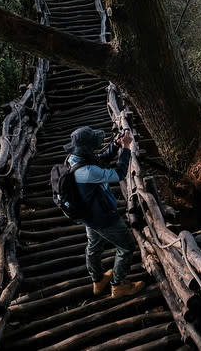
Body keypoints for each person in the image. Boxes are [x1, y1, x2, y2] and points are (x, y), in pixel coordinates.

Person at [63, 126, 145, 298]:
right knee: (127, 247)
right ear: (87, 146)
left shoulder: (74, 159)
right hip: (103, 217)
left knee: (94, 246)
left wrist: (116, 144)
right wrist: (127, 148)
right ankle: (118, 285)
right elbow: (119, 173)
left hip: (89, 216)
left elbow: (100, 158)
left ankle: (98, 280)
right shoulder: (87, 172)